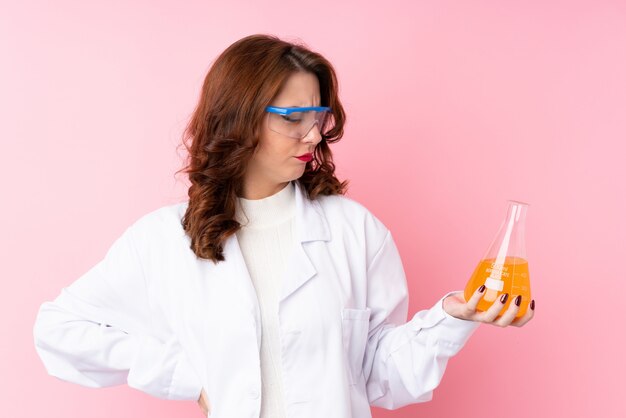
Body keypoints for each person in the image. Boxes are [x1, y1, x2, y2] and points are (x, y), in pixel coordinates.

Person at [33, 34, 535, 418]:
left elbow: (382, 378)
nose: (314, 134)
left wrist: (453, 317)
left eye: (318, 116)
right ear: (239, 118)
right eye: (294, 117)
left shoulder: (356, 231)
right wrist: (185, 374)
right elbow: (58, 330)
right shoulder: (164, 239)